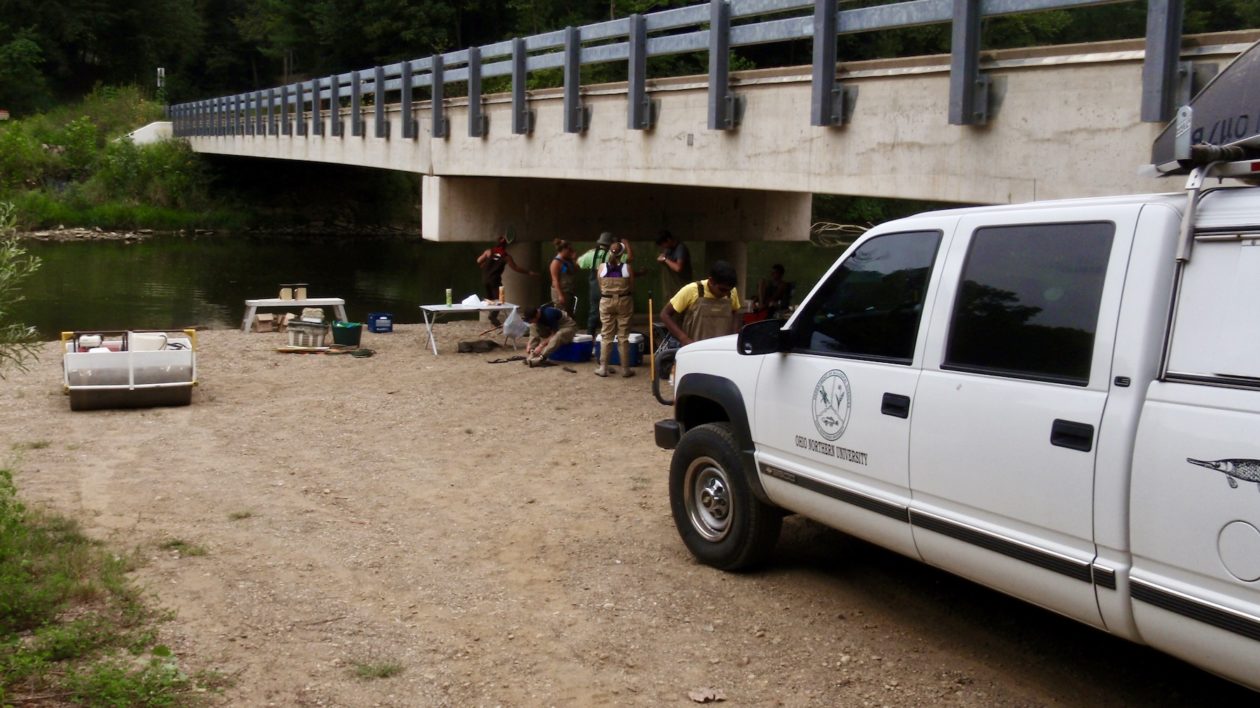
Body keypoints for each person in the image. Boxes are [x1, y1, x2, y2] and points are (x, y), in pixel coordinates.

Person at [659, 260, 743, 347]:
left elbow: (736, 312)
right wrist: (683, 338)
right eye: (722, 289)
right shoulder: (691, 290)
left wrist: (734, 336)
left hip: (721, 347)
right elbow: (665, 314)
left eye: (729, 290)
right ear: (711, 281)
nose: (725, 293)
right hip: (695, 347)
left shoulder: (732, 292)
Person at [577, 232, 633, 335]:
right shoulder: (613, 255)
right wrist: (627, 244)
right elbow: (629, 259)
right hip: (609, 289)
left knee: (594, 312)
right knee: (612, 314)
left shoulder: (591, 254)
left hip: (594, 287)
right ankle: (612, 336)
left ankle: (590, 336)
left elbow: (579, 262)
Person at [594, 241, 635, 378]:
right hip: (624, 301)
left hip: (606, 300)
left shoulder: (601, 267)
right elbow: (631, 286)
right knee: (623, 336)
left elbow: (600, 285)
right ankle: (625, 369)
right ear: (622, 253)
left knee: (606, 335)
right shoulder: (627, 268)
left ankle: (603, 368)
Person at [476, 233, 535, 325]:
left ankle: (492, 315)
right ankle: (493, 316)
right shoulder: (506, 257)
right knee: (500, 300)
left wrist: (485, 263)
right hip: (495, 280)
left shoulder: (489, 251)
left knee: (491, 299)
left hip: (485, 279)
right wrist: (528, 272)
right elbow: (515, 268)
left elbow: (479, 260)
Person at [655, 230, 692, 301]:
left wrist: (665, 259)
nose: (662, 247)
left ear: (668, 240)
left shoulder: (680, 248)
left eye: (663, 244)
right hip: (670, 289)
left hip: (680, 287)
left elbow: (678, 268)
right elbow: (662, 257)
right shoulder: (668, 249)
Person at [549, 238, 579, 316]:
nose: (570, 252)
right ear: (564, 249)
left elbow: (575, 270)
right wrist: (560, 295)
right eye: (569, 250)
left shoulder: (568, 260)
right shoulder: (555, 263)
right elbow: (555, 280)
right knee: (561, 314)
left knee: (570, 313)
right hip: (561, 291)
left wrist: (574, 259)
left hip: (569, 290)